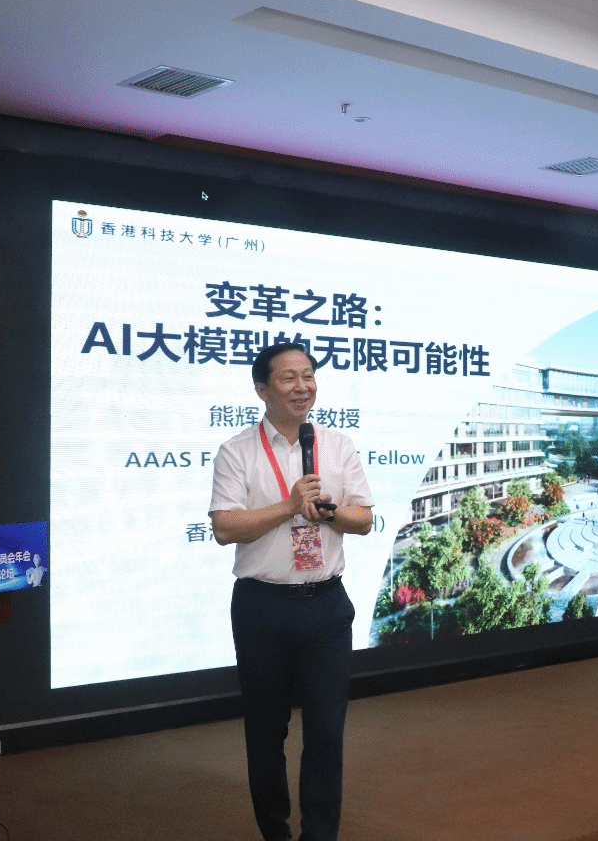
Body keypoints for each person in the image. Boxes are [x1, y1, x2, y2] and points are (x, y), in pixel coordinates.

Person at [209, 342, 374, 841]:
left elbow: (363, 520)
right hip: (263, 607)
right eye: (289, 378)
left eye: (309, 376)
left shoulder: (338, 445)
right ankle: (275, 831)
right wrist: (289, 505)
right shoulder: (237, 451)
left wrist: (329, 511)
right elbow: (225, 527)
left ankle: (319, 835)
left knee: (326, 731)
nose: (303, 387)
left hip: (326, 606)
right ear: (262, 389)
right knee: (266, 730)